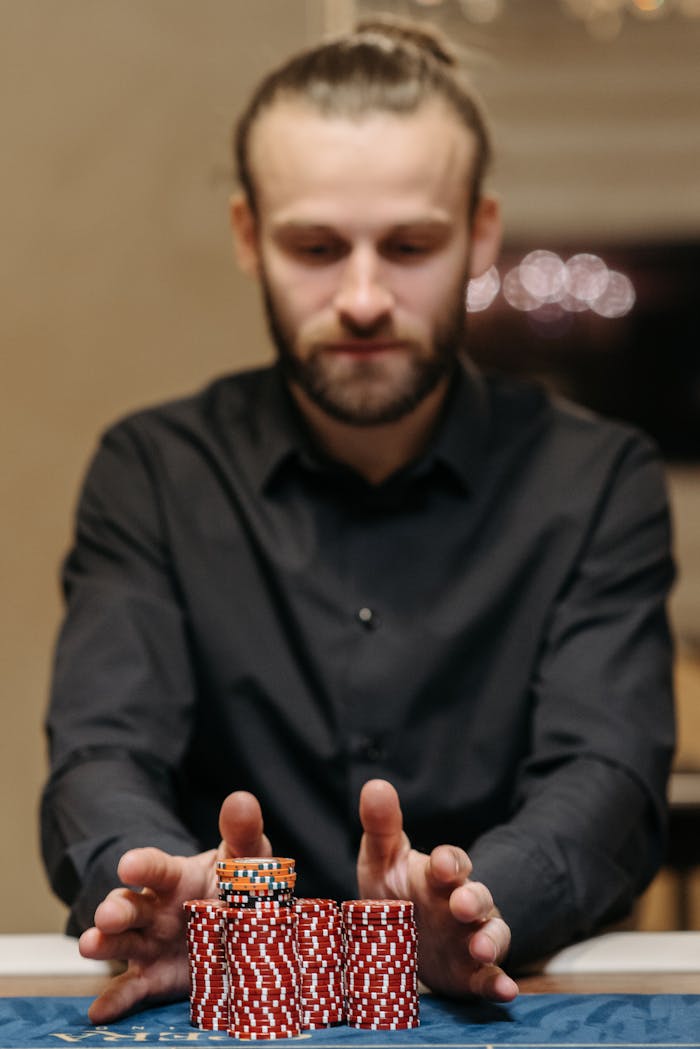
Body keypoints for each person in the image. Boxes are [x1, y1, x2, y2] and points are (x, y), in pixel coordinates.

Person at [41, 16, 675, 1027]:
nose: (366, 296)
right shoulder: (153, 471)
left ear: (478, 233)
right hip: (230, 998)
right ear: (251, 237)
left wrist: (471, 908)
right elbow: (102, 751)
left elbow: (607, 776)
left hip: (497, 1005)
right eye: (317, 246)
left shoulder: (595, 476)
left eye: (412, 244)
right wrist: (163, 887)